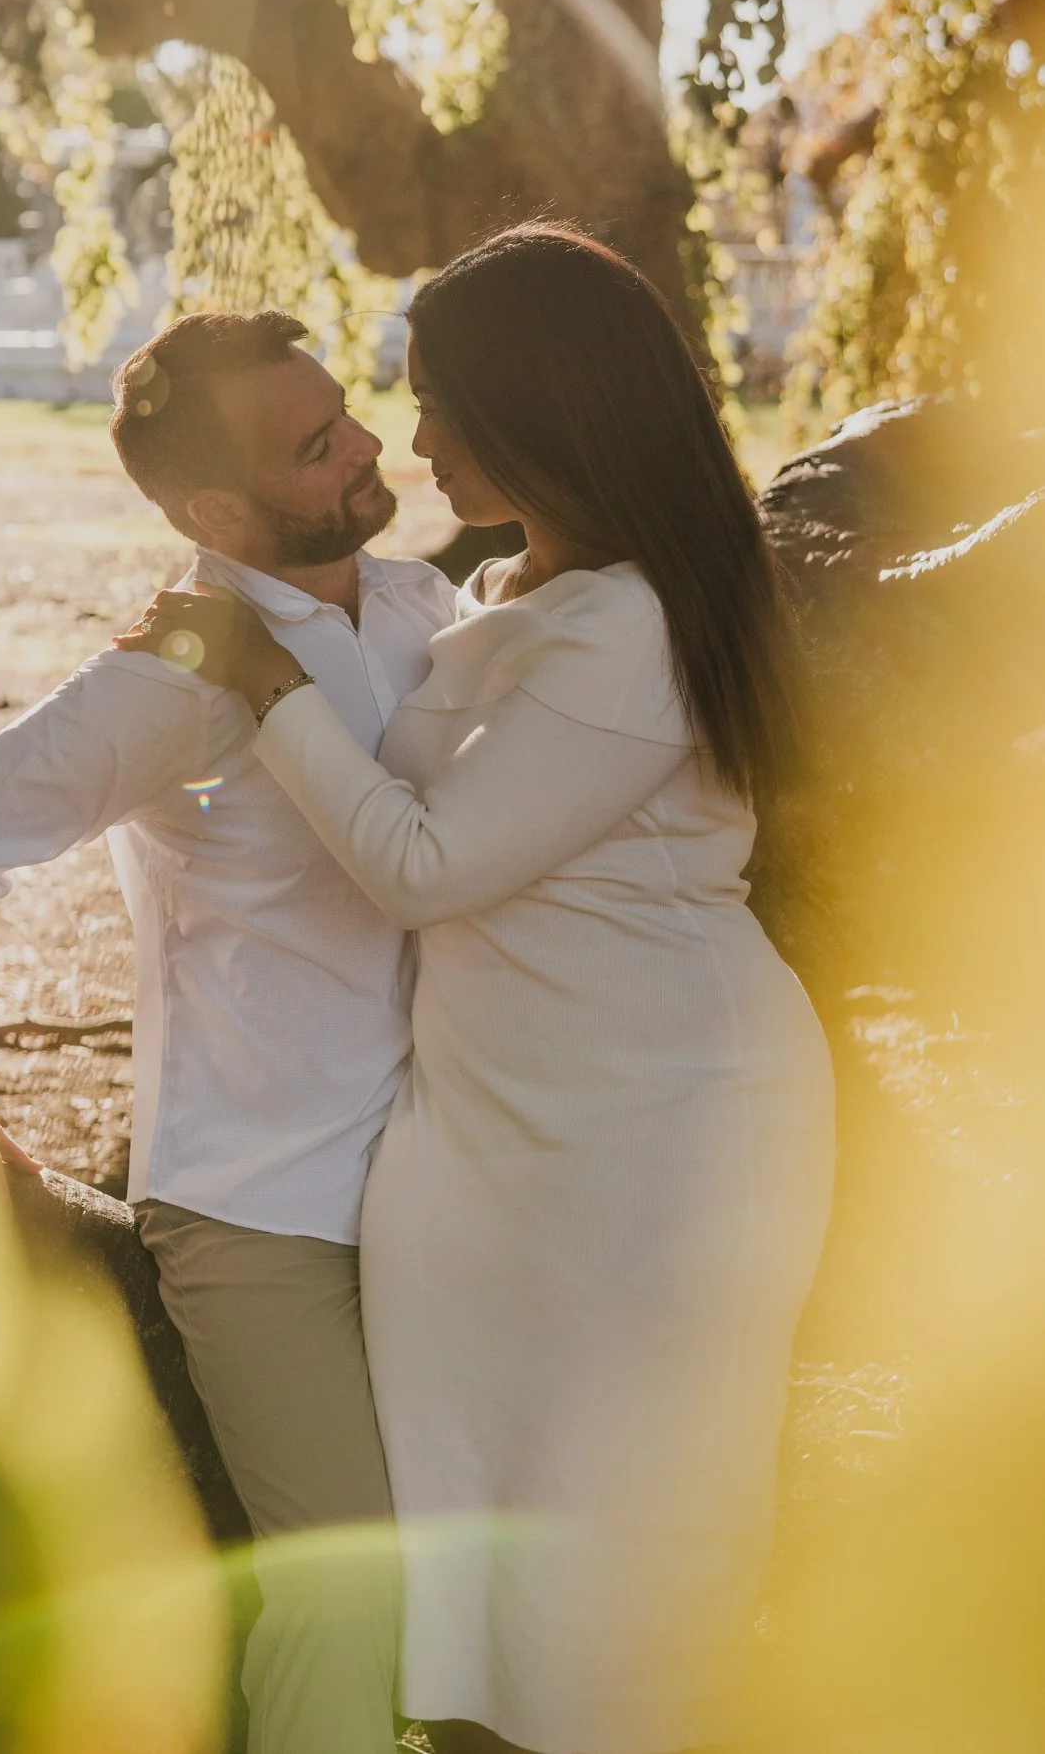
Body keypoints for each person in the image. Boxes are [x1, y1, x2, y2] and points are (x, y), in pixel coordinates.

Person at [120, 225, 836, 1754]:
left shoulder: (630, 627)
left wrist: (264, 681)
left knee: (616, 1587)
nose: (412, 435)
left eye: (440, 401)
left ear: (541, 412)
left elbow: (427, 864)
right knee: (479, 1585)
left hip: (644, 1147)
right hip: (498, 1148)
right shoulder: (509, 589)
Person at [0, 308, 458, 1754]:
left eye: (348, 414)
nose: (368, 446)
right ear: (212, 510)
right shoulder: (174, 671)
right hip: (259, 1208)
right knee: (343, 1589)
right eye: (317, 447)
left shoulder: (420, 612)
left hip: (441, 1188)